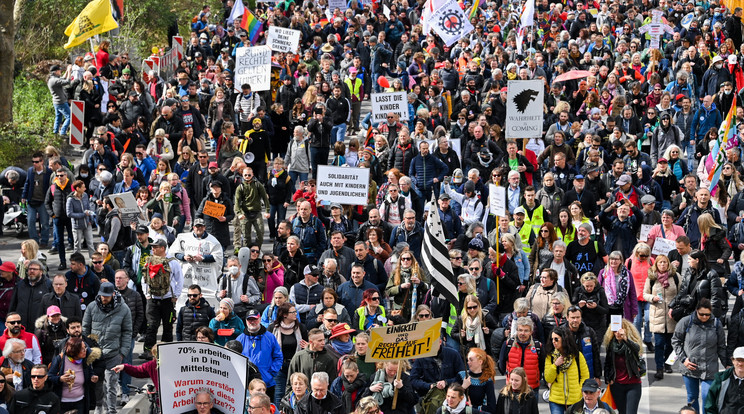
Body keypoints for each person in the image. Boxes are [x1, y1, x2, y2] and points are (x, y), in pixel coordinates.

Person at [82, 282, 132, 414]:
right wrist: (88, 348)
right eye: (102, 295)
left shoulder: (124, 309)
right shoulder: (92, 307)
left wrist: (123, 352)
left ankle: (111, 410)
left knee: (111, 384)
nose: (104, 298)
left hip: (113, 353)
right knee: (98, 383)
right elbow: (85, 328)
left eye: (107, 296)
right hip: (95, 353)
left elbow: (127, 332)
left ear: (113, 294)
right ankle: (99, 406)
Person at [672, 298, 728, 413]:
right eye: (701, 314)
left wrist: (727, 365)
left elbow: (721, 347)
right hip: (690, 367)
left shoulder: (716, 324)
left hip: (709, 368)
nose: (704, 317)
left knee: (708, 397)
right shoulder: (686, 322)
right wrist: (683, 360)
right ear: (696, 311)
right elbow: (676, 341)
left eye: (707, 314)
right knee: (692, 397)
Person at [141, 238, 183, 360]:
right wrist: (146, 294)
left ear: (163, 248)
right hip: (152, 299)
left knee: (168, 326)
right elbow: (145, 278)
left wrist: (176, 295)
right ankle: (148, 351)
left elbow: (179, 279)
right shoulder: (148, 261)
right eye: (152, 247)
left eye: (156, 247)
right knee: (151, 326)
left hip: (168, 299)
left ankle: (166, 351)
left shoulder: (173, 262)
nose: (153, 249)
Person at [643, 255, 679, 380]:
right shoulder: (651, 278)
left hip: (672, 316)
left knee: (671, 344)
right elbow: (645, 294)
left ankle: (668, 363)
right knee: (658, 344)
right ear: (656, 265)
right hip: (657, 315)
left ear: (668, 263)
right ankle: (659, 368)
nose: (662, 265)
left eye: (664, 262)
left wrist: (676, 305)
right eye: (660, 263)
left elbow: (681, 293)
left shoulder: (675, 277)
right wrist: (652, 298)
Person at [237, 309, 283, 400]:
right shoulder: (240, 339)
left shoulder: (270, 337)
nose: (252, 322)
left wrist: (270, 373)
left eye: (255, 319)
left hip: (266, 383)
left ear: (260, 319)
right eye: (249, 320)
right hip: (247, 385)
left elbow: (278, 357)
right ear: (246, 321)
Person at [544, 325, 590, 413]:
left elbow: (585, 376)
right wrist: (555, 365)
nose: (553, 342)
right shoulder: (550, 356)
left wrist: (579, 390)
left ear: (564, 339)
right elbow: (548, 378)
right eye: (552, 339)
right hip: (556, 400)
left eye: (556, 339)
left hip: (575, 399)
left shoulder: (577, 355)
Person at [269, 302, 308, 405]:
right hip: (279, 367)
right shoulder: (273, 328)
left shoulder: (301, 328)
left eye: (296, 311)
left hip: (296, 365)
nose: (296, 314)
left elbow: (306, 344)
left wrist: (308, 346)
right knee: (279, 394)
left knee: (297, 393)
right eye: (293, 312)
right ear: (284, 314)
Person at [603, 318, 644, 414]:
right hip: (617, 385)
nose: (617, 333)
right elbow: (608, 363)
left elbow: (636, 349)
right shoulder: (611, 345)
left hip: (633, 384)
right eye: (615, 330)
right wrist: (608, 378)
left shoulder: (631, 343)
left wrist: (626, 339)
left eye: (620, 330)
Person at [48, 336, 98, 413]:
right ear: (74, 350)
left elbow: (90, 373)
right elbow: (50, 376)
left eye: (85, 348)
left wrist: (92, 377)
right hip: (62, 403)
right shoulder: (60, 359)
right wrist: (60, 379)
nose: (85, 350)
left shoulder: (85, 361)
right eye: (82, 349)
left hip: (80, 402)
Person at [9, 261, 52, 327]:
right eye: (30, 269)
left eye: (35, 269)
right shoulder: (20, 285)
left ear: (41, 272)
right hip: (21, 325)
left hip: (39, 326)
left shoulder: (48, 285)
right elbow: (13, 304)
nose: (31, 271)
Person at [704, 346, 744, 414]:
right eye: (738, 360)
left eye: (743, 360)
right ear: (733, 361)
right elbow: (710, 405)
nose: (741, 363)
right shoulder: (721, 380)